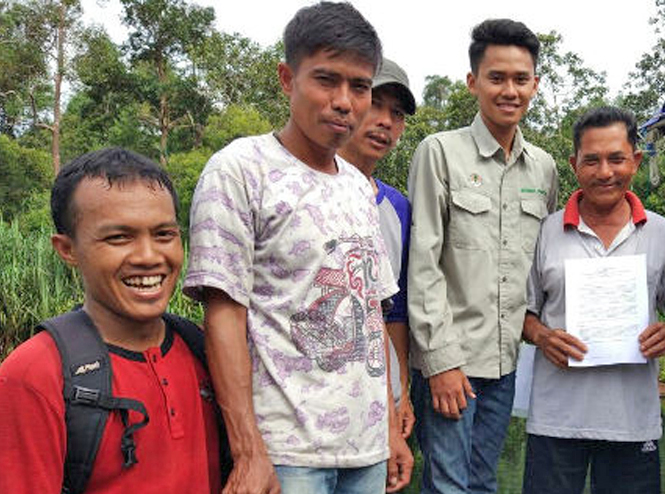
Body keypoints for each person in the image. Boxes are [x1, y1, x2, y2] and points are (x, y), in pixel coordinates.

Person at [182, 3, 411, 493]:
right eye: (326, 80)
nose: (345, 102)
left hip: (366, 452)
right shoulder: (241, 170)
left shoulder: (358, 186)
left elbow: (373, 316)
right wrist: (247, 452)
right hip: (287, 453)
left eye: (359, 86)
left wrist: (390, 426)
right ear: (288, 78)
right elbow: (224, 314)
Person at [0, 147, 222, 494]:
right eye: (119, 238)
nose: (149, 257)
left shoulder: (205, 350)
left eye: (164, 234)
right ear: (67, 249)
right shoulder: (34, 375)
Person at [406, 18, 558, 494]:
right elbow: (423, 263)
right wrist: (440, 362)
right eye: (497, 78)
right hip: (452, 361)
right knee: (448, 485)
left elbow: (541, 269)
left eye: (520, 78)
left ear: (535, 84)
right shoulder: (439, 153)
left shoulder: (544, 168)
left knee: (483, 482)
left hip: (505, 364)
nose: (509, 90)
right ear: (473, 82)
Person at [520, 106, 665, 494]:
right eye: (591, 160)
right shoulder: (544, 232)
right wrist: (543, 337)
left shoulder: (664, 234)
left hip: (632, 419)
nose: (604, 172)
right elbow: (521, 312)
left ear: (636, 159)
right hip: (556, 418)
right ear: (573, 164)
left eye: (616, 158)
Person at [338, 57, 418, 439]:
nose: (385, 121)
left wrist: (401, 393)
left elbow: (394, 310)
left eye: (397, 113)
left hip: (377, 401)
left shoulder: (398, 206)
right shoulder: (297, 188)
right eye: (375, 104)